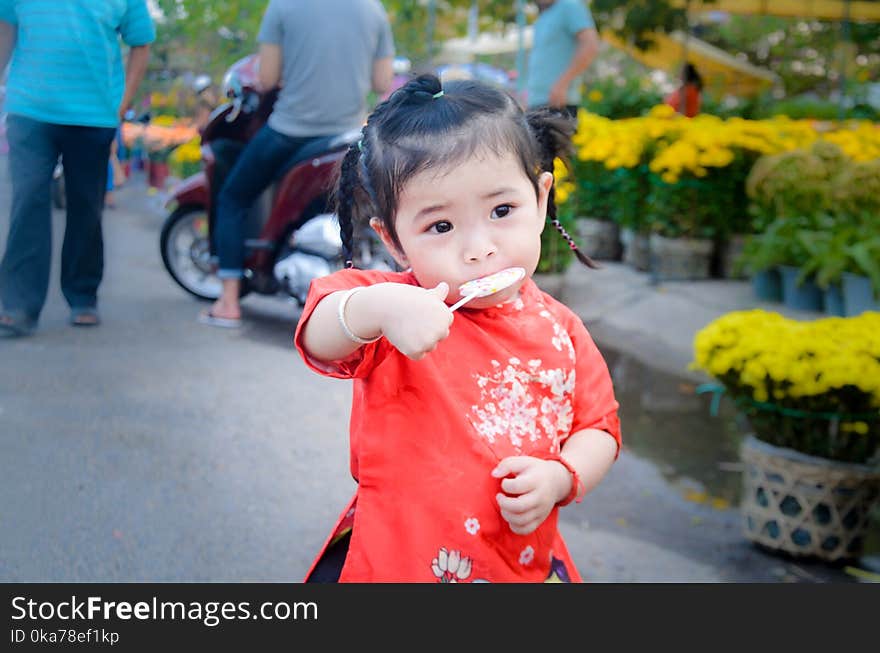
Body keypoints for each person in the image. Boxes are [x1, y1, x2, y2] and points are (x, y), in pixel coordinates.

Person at [294, 74, 622, 582]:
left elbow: (598, 428)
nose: (478, 247)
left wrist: (561, 477)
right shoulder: (395, 308)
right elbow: (319, 334)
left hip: (518, 563)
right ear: (396, 241)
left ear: (540, 199)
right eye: (440, 227)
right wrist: (379, 308)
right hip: (400, 559)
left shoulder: (563, 330)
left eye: (502, 210)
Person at [199, 0, 395, 328]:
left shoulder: (283, 6)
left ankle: (229, 301)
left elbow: (267, 77)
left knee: (232, 197)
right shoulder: (373, 9)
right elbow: (382, 81)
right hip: (345, 134)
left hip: (289, 131)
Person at [0, 0, 153, 337]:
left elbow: (141, 42)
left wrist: (122, 104)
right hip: (29, 108)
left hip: (94, 113)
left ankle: (83, 295)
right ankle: (17, 305)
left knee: (86, 205)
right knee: (27, 200)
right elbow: (6, 29)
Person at [526, 0, 600, 120]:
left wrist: (562, 84)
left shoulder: (570, 6)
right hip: (537, 103)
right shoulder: (544, 15)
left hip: (557, 102)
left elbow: (590, 46)